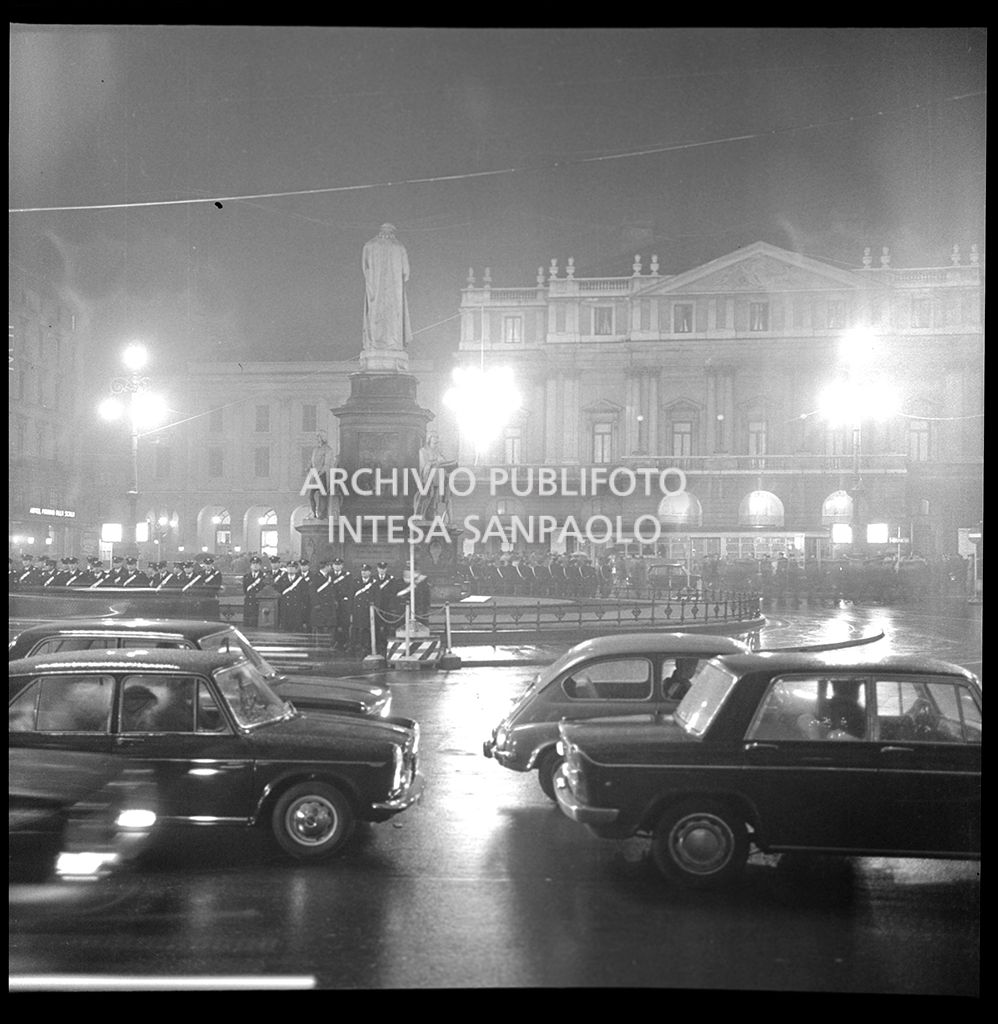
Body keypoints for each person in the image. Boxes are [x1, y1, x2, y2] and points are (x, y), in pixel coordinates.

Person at [362, 223, 412, 354]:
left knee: (374, 316)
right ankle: (393, 343)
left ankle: (375, 342)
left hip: (374, 291)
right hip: (393, 295)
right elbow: (406, 273)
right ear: (392, 232)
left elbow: (365, 268)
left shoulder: (369, 245)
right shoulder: (399, 247)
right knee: (393, 318)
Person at [309, 558, 337, 646]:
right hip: (320, 607)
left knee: (330, 627)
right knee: (319, 628)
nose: (331, 567)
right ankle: (319, 646)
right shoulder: (315, 577)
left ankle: (328, 645)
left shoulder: (330, 577)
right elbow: (312, 592)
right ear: (327, 566)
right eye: (330, 566)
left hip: (329, 607)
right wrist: (316, 604)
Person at [307, 435, 336, 519]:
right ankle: (314, 513)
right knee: (311, 495)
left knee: (323, 495)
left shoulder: (328, 449)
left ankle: (322, 514)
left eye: (318, 437)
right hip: (315, 475)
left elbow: (327, 464)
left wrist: (320, 472)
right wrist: (309, 467)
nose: (316, 439)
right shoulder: (315, 450)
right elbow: (312, 461)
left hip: (322, 475)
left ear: (323, 438)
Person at [350, 564, 377, 654]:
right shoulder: (355, 582)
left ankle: (367, 646)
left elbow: (377, 597)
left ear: (369, 572)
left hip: (369, 611)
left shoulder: (374, 583)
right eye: (362, 571)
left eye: (365, 571)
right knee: (357, 629)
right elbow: (351, 596)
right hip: (358, 610)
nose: (363, 573)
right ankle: (357, 646)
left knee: (367, 629)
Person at [330, 557, 353, 651]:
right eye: (335, 565)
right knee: (334, 624)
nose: (337, 566)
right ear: (332, 566)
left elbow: (350, 589)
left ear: (342, 566)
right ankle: (335, 642)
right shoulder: (329, 575)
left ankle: (346, 643)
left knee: (345, 625)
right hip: (333, 604)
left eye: (339, 565)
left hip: (344, 604)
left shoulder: (347, 576)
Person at [242, 555, 267, 627]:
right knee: (247, 625)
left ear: (260, 566)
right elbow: (245, 590)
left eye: (257, 564)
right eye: (253, 564)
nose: (255, 565)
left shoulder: (264, 577)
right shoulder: (246, 577)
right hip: (248, 603)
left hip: (259, 604)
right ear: (251, 566)